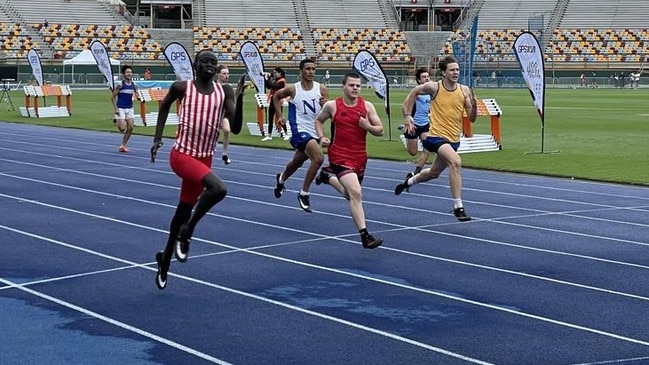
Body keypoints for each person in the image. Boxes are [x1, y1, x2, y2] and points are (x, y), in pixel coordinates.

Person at [149, 50, 244, 290]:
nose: (209, 66)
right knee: (218, 189)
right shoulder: (182, 87)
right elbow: (164, 106)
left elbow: (236, 128)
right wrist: (157, 138)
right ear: (195, 64)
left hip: (204, 159)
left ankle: (164, 259)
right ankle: (188, 231)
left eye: (213, 62)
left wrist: (240, 99)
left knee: (182, 212)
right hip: (181, 155)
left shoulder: (225, 92)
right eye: (205, 61)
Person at [394, 55, 477, 222]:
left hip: (453, 139)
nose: (456, 72)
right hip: (435, 136)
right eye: (452, 70)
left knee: (433, 173)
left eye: (457, 70)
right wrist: (408, 115)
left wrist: (474, 106)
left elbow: (472, 118)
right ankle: (458, 207)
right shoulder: (434, 87)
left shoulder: (465, 90)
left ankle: (409, 182)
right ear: (444, 72)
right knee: (456, 162)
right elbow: (415, 91)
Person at [314, 73, 384, 249]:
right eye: (352, 85)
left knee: (350, 195)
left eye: (358, 86)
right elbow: (319, 121)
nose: (355, 88)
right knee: (356, 192)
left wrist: (367, 126)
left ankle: (327, 177)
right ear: (343, 87)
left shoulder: (367, 106)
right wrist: (321, 137)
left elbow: (380, 130)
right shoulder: (332, 106)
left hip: (359, 157)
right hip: (339, 155)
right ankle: (365, 236)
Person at [271, 58, 328, 212]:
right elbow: (276, 97)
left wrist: (325, 104)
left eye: (313, 69)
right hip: (299, 131)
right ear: (301, 71)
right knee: (318, 159)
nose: (311, 72)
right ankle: (304, 193)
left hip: (315, 131)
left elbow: (326, 112)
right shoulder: (293, 89)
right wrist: (279, 116)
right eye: (308, 69)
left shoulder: (321, 89)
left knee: (297, 162)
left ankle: (281, 179)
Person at [402, 67, 431, 175]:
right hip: (414, 125)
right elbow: (404, 106)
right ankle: (404, 131)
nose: (427, 79)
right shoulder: (417, 91)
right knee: (413, 152)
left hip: (425, 124)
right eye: (424, 77)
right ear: (419, 80)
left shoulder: (431, 91)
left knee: (427, 149)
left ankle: (416, 173)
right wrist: (407, 120)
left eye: (428, 76)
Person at [112, 65, 139, 152]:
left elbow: (137, 94)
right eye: (127, 72)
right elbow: (112, 97)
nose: (129, 74)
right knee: (122, 129)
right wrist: (115, 108)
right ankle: (116, 118)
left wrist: (138, 97)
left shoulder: (134, 85)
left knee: (130, 128)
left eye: (130, 72)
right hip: (121, 108)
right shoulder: (120, 85)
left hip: (130, 108)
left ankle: (123, 145)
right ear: (124, 74)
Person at [261, 68, 287, 141]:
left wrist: (267, 78)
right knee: (270, 117)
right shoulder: (277, 80)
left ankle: (286, 133)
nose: (274, 74)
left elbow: (273, 86)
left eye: (276, 73)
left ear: (280, 73)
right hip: (273, 100)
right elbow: (269, 86)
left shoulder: (282, 81)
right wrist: (266, 79)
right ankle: (269, 135)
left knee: (280, 117)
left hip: (278, 100)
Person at [216, 64, 232, 164]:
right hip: (213, 113)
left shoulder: (228, 87)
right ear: (218, 74)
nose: (226, 75)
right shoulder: (213, 85)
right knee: (214, 134)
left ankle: (225, 154)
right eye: (224, 73)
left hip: (223, 113)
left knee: (227, 130)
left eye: (227, 74)